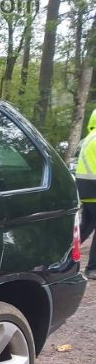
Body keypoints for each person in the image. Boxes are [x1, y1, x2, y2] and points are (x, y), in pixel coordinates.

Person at [76, 108, 96, 279]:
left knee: (86, 226)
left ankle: (63, 258)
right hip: (94, 187)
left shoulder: (89, 138)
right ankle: (92, 268)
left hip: (85, 187)